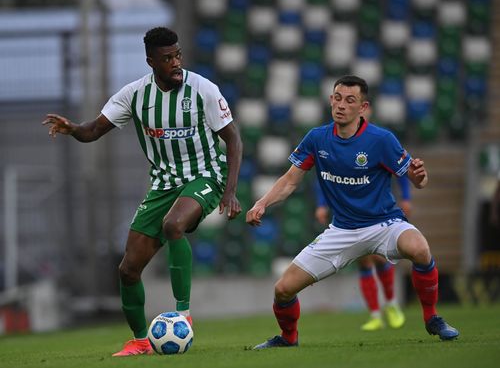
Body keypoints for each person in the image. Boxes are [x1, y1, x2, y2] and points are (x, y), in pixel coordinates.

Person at [42, 27, 242, 356]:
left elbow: (233, 139)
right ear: (151, 61)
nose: (176, 62)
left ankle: (183, 313)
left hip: (205, 175)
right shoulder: (134, 95)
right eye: (167, 58)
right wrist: (73, 129)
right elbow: (93, 130)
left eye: (178, 55)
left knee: (173, 225)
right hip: (163, 183)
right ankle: (139, 341)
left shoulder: (202, 90)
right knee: (128, 269)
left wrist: (230, 191)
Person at [246, 75, 459, 349]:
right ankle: (288, 339)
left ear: (363, 107)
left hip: (384, 224)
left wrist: (420, 176)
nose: (341, 105)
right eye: (337, 98)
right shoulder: (317, 138)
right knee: (283, 290)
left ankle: (432, 318)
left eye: (350, 100)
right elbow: (289, 181)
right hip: (342, 230)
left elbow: (418, 180)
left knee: (419, 248)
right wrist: (262, 203)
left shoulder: (381, 140)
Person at [315, 175, 410, 331]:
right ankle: (375, 315)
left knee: (379, 258)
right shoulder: (335, 153)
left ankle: (391, 304)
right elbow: (323, 175)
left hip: (376, 209)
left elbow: (401, 168)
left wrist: (406, 197)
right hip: (349, 210)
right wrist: (321, 204)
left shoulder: (374, 151)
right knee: (363, 259)